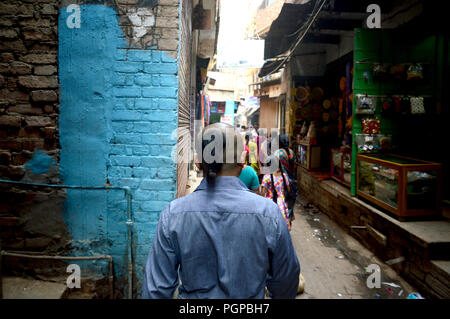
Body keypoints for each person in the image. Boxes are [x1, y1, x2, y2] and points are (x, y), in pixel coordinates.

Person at [142, 123, 300, 299]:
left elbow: (155, 291)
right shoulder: (269, 214)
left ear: (197, 161)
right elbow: (286, 282)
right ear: (242, 159)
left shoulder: (173, 215)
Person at [261, 155, 292, 231]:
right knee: (282, 223)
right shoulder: (284, 176)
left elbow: (262, 193)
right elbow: (288, 189)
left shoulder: (267, 177)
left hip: (270, 202)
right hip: (282, 203)